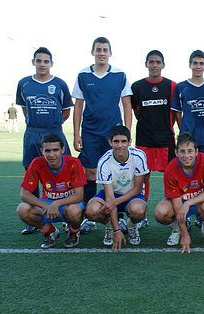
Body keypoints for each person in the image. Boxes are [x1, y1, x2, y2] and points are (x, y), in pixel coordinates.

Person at [72, 37, 133, 233]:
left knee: (117, 172)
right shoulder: (83, 75)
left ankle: (119, 214)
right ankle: (90, 215)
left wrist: (127, 132)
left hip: (113, 133)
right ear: (93, 52)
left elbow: (126, 104)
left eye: (104, 50)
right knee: (90, 172)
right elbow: (78, 106)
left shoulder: (120, 75)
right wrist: (76, 134)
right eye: (98, 49)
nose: (101, 53)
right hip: (90, 132)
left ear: (110, 53)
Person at [16, 47, 74, 235]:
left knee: (65, 174)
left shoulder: (59, 84)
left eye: (46, 61)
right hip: (32, 134)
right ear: (33, 62)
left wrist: (53, 126)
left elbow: (66, 111)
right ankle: (34, 219)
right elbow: (25, 109)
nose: (42, 64)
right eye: (39, 61)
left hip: (54, 132)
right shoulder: (24, 83)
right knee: (32, 174)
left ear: (51, 63)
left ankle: (67, 217)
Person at [85, 125, 149, 251]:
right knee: (91, 210)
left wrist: (114, 202)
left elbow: (137, 189)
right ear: (110, 142)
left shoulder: (139, 156)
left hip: (132, 194)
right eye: (116, 141)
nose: (120, 145)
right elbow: (110, 198)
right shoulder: (104, 162)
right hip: (112, 195)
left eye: (124, 141)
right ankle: (109, 226)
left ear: (130, 142)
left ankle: (131, 226)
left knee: (139, 210)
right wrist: (116, 230)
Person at [154, 132, 204, 252]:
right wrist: (185, 234)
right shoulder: (171, 169)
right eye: (182, 151)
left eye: (190, 151)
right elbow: (177, 203)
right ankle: (177, 229)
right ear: (176, 153)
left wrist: (188, 203)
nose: (186, 155)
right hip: (180, 203)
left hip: (201, 202)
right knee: (160, 212)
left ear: (196, 151)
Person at [16, 134, 86, 249]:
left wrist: (56, 203)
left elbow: (79, 196)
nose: (51, 155)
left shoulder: (73, 163)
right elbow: (24, 194)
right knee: (22, 209)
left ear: (63, 150)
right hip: (47, 205)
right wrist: (47, 206)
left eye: (55, 150)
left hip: (68, 205)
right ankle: (50, 231)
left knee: (74, 211)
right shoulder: (36, 163)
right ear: (42, 151)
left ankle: (74, 232)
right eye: (47, 151)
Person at [131, 50, 177, 213]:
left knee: (171, 176)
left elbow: (176, 112)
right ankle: (140, 213)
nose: (154, 65)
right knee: (143, 177)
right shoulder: (137, 87)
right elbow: (136, 112)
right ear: (146, 64)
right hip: (144, 139)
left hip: (166, 139)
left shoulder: (172, 86)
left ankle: (172, 211)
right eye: (151, 62)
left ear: (163, 65)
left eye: (158, 62)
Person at [172, 50, 204, 160]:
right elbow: (177, 112)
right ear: (190, 65)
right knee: (187, 172)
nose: (198, 66)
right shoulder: (181, 87)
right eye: (195, 63)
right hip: (187, 140)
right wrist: (184, 130)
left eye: (201, 63)